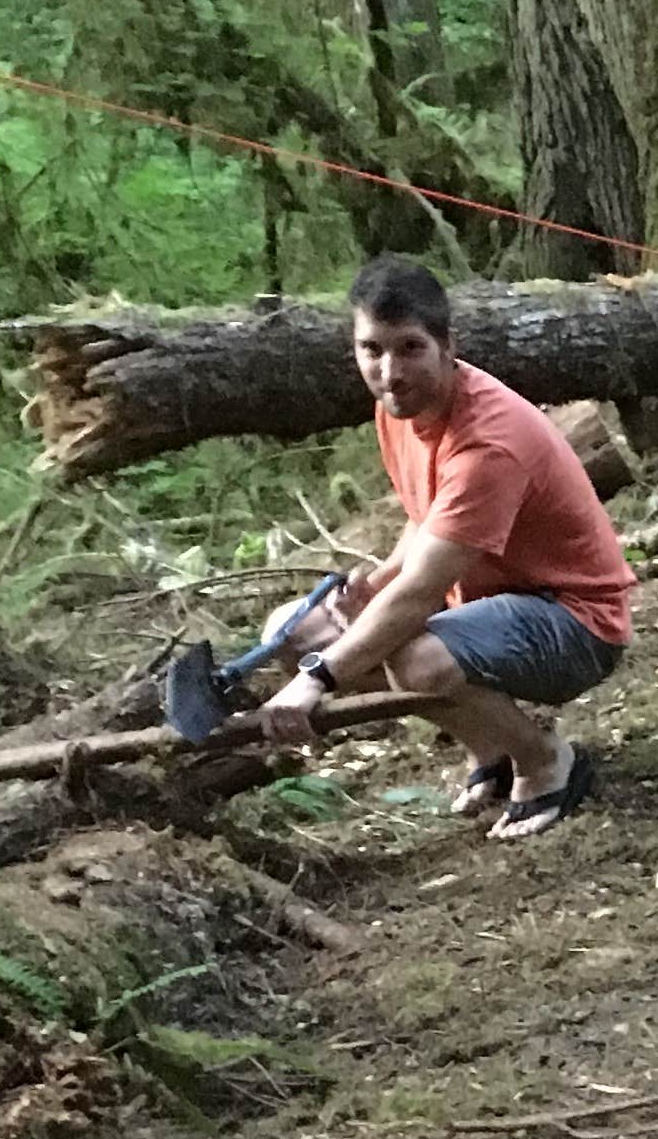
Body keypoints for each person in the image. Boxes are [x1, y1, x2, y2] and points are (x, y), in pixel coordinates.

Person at [256, 255, 631, 840]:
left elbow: (423, 591)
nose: (389, 372)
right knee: (295, 630)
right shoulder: (400, 411)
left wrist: (318, 680)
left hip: (575, 623)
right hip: (488, 610)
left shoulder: (488, 442)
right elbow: (427, 520)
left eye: (409, 348)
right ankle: (493, 749)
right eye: (371, 350)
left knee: (413, 658)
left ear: (447, 345)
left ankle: (545, 761)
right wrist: (378, 584)